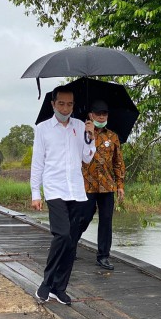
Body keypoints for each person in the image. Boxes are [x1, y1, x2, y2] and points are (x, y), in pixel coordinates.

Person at [31, 85, 96, 306]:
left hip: (76, 191)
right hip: (54, 189)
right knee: (62, 235)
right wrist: (35, 193)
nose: (65, 108)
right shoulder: (42, 129)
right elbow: (37, 163)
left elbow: (87, 159)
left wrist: (90, 137)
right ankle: (46, 283)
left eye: (69, 104)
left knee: (72, 241)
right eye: (61, 103)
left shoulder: (80, 126)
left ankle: (60, 288)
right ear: (53, 104)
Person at [79, 99, 125, 271]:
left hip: (107, 186)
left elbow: (118, 162)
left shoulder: (112, 136)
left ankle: (103, 256)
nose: (101, 116)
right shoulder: (80, 133)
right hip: (86, 185)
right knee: (84, 217)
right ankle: (70, 244)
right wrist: (87, 134)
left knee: (106, 220)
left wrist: (120, 184)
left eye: (104, 113)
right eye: (98, 113)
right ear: (90, 114)